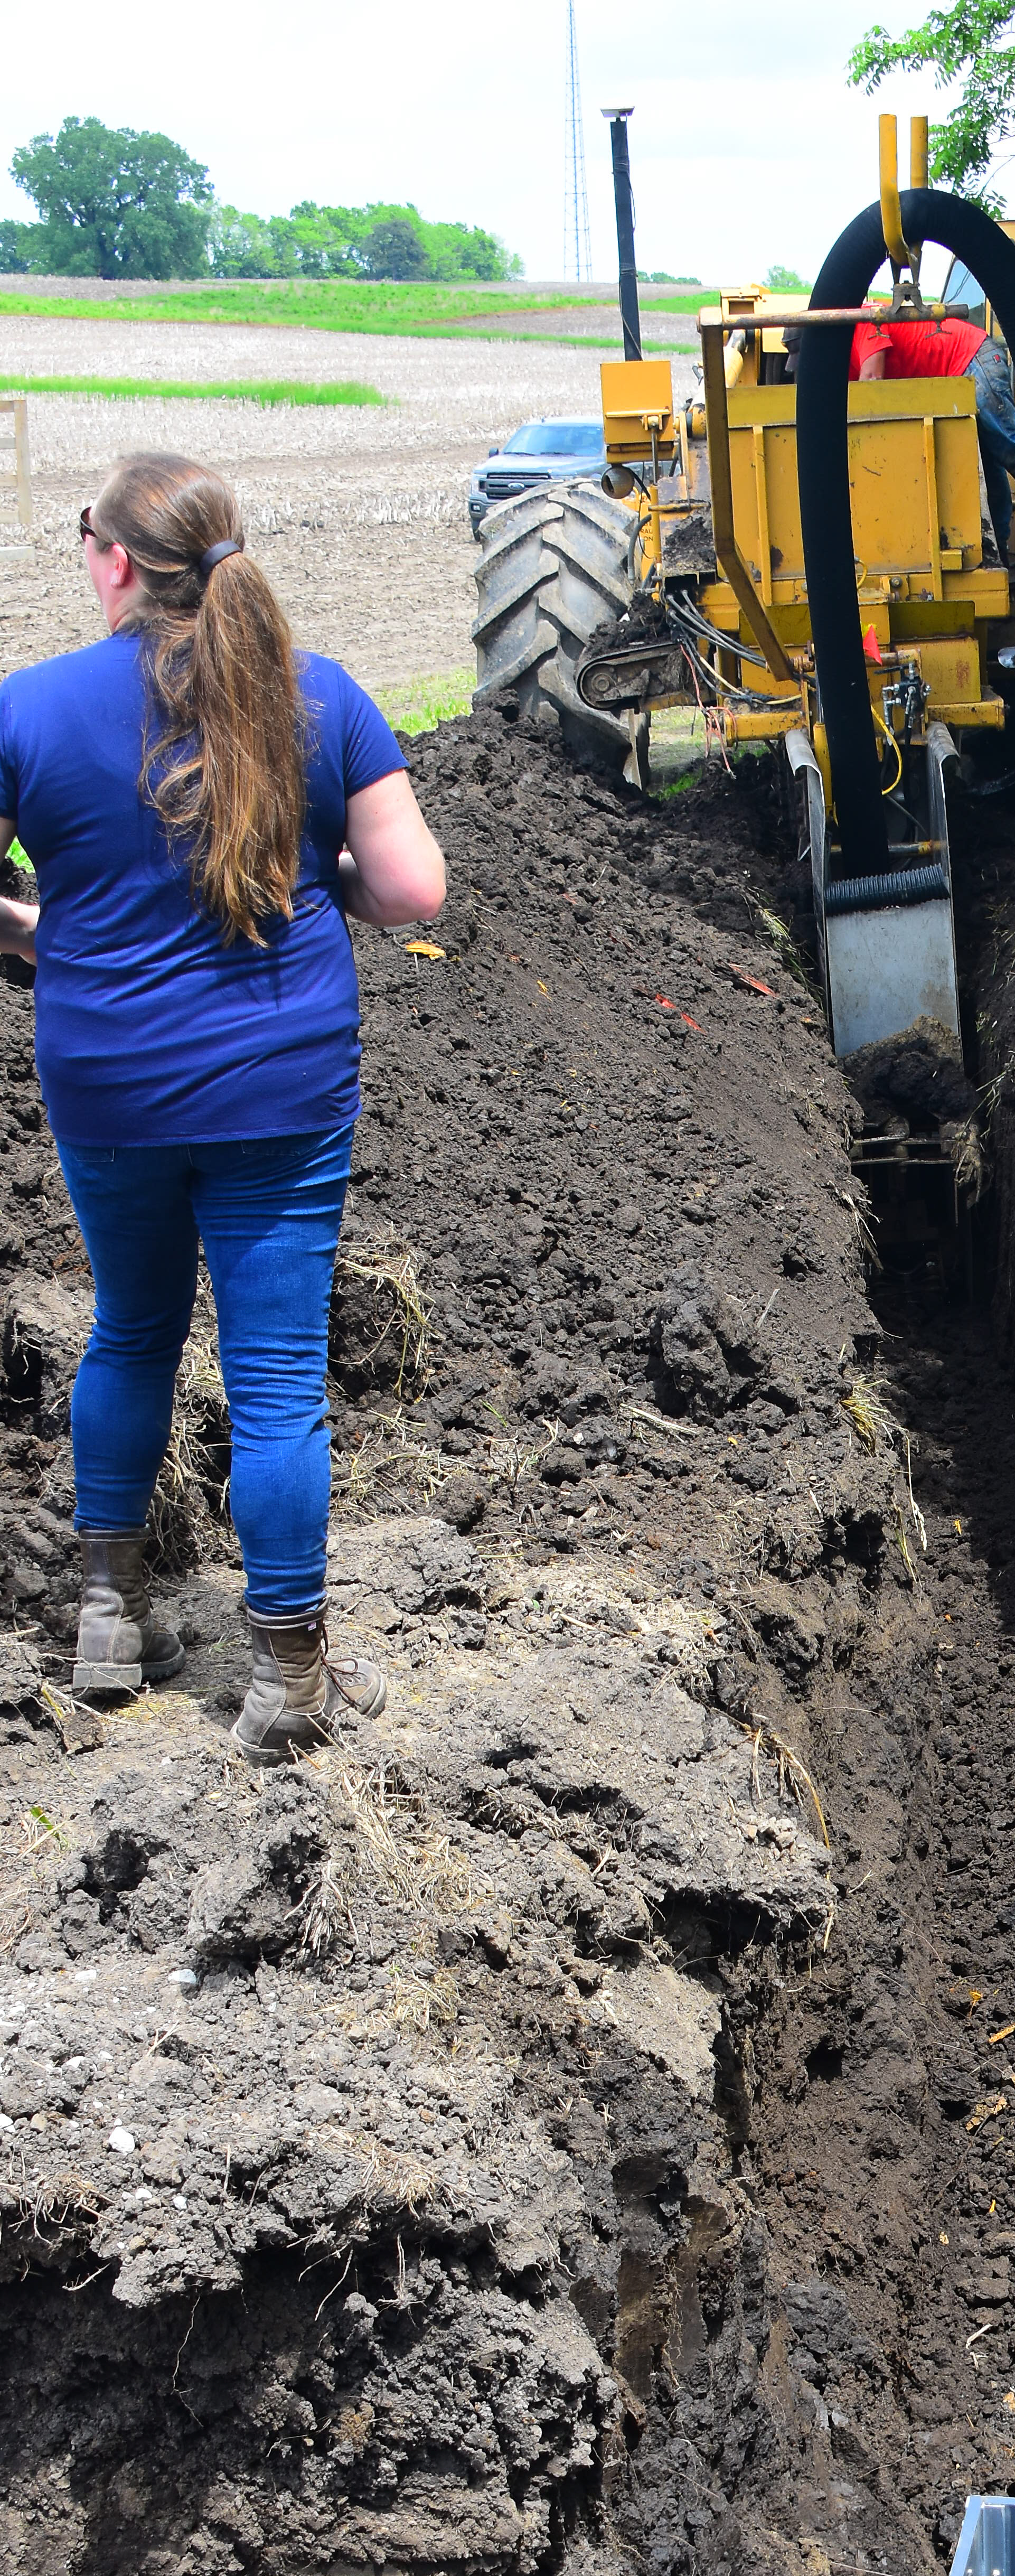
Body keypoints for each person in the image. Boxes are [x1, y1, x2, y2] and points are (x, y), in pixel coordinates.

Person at [0, 453, 447, 1760]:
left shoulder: (26, 710)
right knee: (272, 1380)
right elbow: (414, 890)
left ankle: (105, 1618)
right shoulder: (321, 695)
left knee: (130, 1332)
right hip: (280, 1087)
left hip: (108, 1088)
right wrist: (334, 891)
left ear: (118, 562)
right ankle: (288, 1673)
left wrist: (36, 934)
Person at [852, 307, 1015, 559]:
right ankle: (999, 559)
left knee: (1014, 450)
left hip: (970, 360)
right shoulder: (846, 357)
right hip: (953, 382)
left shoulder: (862, 321)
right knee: (983, 475)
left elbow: (872, 385)